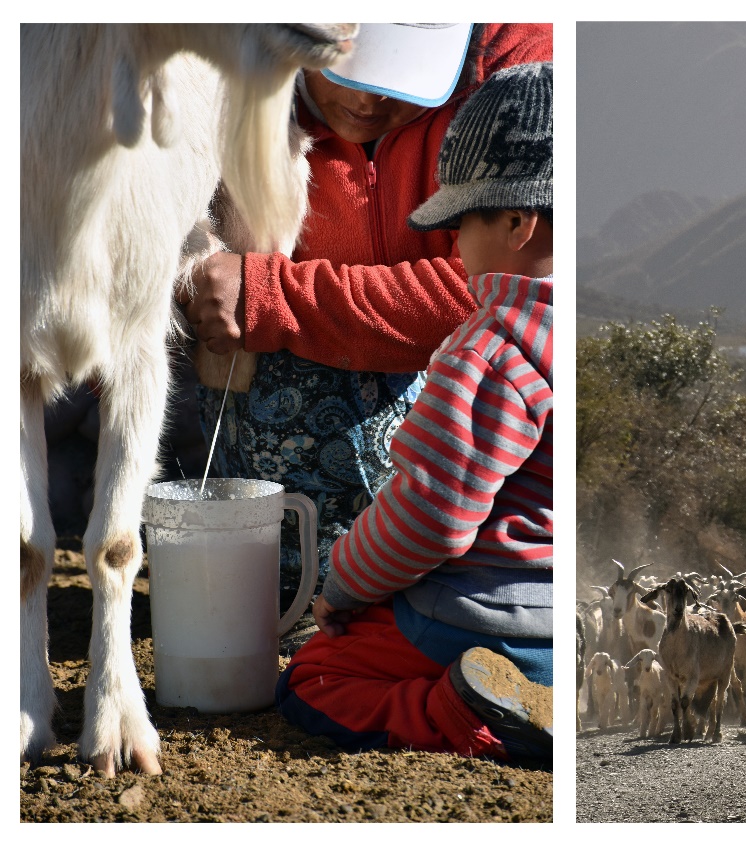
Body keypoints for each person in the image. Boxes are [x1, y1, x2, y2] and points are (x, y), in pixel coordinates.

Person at [179, 24, 552, 597]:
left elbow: (497, 288)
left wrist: (274, 296)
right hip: (274, 386)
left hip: (453, 414)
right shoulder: (229, 55)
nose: (366, 100)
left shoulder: (524, 75)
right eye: (342, 70)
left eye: (398, 81)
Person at [275, 61, 554, 763]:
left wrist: (342, 582)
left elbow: (430, 512)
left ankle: (456, 712)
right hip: (557, 617)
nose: (452, 246)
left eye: (457, 223)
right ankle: (537, 696)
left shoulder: (488, 350)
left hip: (470, 610)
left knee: (313, 678)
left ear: (517, 222)